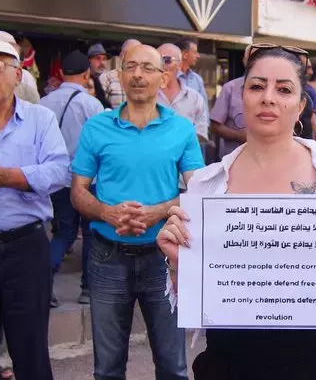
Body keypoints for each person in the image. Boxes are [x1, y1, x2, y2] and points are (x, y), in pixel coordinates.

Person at [157, 45, 316, 380]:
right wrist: (178, 262)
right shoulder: (207, 185)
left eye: (283, 89)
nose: (268, 97)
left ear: (301, 106)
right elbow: (198, 298)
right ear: (241, 97)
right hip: (233, 363)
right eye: (257, 86)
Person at [71, 44, 204, 380]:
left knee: (173, 367)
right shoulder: (97, 127)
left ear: (163, 77)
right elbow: (77, 191)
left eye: (148, 68)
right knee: (107, 369)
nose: (139, 75)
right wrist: (107, 212)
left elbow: (200, 192)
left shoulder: (182, 129)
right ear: (119, 76)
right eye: (131, 67)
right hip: (106, 257)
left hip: (163, 258)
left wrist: (158, 212)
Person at [0, 40, 69, 380]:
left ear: (18, 74)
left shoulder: (41, 119)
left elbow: (59, 171)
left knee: (31, 348)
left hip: (27, 248)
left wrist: (7, 176)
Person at [40, 50, 104, 307]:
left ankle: (44, 284)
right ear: (87, 74)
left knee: (63, 232)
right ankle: (88, 290)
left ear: (62, 73)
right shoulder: (91, 104)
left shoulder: (44, 103)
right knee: (90, 235)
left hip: (56, 178)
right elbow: (102, 143)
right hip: (87, 180)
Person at [157, 43, 209, 143]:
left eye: (166, 60)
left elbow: (201, 133)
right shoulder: (146, 96)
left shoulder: (195, 98)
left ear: (179, 65)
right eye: (156, 61)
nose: (161, 65)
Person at [210, 46, 252, 159]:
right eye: (252, 57)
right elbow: (215, 125)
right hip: (233, 160)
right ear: (244, 61)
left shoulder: (273, 93)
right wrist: (241, 136)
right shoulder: (230, 88)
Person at [99, 39, 141, 108]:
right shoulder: (106, 78)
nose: (135, 58)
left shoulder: (145, 79)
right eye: (131, 53)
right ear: (121, 55)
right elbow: (99, 108)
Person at [174, 37, 208, 108]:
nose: (198, 56)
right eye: (195, 52)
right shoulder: (170, 77)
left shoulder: (197, 80)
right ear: (185, 54)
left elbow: (204, 108)